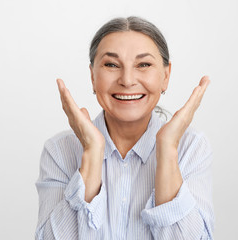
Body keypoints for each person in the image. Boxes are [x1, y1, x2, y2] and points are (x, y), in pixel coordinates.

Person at [35, 16, 214, 240]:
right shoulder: (59, 150)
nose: (127, 80)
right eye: (111, 65)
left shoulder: (191, 147)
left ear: (165, 76)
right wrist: (92, 153)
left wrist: (167, 149)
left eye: (144, 65)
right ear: (92, 76)